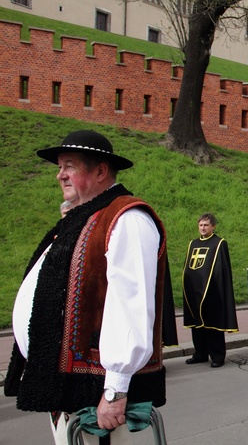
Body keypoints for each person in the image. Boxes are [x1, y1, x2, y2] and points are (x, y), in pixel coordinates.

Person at [5, 130, 168, 444]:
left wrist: (115, 389)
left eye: (69, 166)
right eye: (60, 167)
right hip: (72, 393)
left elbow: (129, 304)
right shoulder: (84, 217)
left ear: (100, 171)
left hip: (100, 397)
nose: (59, 175)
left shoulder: (126, 218)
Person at [182, 213, 239, 368]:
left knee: (213, 325)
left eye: (206, 225)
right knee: (197, 325)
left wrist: (216, 289)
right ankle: (200, 353)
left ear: (213, 226)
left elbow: (222, 270)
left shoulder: (219, 243)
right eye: (201, 225)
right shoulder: (192, 244)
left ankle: (217, 356)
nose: (203, 228)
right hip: (194, 291)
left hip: (212, 291)